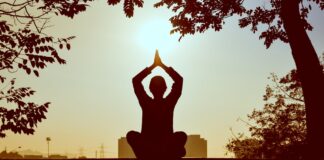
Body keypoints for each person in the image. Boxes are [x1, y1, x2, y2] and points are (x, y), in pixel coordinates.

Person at [127, 51, 187, 159]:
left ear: (150, 89)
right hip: (161, 146)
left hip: (150, 147)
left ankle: (149, 154)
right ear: (165, 88)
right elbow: (179, 80)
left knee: (131, 135)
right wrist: (161, 65)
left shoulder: (146, 102)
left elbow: (136, 81)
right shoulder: (168, 102)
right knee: (181, 136)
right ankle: (167, 152)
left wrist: (153, 66)